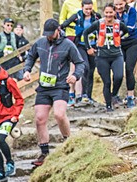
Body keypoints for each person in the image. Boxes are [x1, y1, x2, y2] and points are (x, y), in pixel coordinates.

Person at [23, 18, 85, 166]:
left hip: (60, 86)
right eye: (47, 34)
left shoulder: (68, 45)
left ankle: (68, 142)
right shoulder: (40, 43)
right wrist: (27, 70)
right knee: (39, 119)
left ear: (58, 30)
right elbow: (31, 56)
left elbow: (80, 63)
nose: (49, 36)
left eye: (51, 33)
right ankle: (44, 153)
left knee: (59, 115)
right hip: (44, 87)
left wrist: (75, 76)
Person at [82, 4, 130, 111]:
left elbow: (127, 31)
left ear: (114, 13)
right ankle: (108, 105)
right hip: (102, 57)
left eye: (111, 12)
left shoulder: (119, 24)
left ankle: (114, 94)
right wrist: (88, 48)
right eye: (106, 12)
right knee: (107, 82)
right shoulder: (98, 24)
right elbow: (85, 33)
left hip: (116, 55)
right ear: (104, 13)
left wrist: (119, 36)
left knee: (119, 76)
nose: (108, 15)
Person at [61, 0, 101, 104]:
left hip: (93, 46)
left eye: (90, 9)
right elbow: (64, 24)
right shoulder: (77, 16)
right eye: (86, 9)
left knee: (92, 70)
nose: (88, 11)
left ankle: (89, 95)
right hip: (80, 46)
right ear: (82, 7)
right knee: (85, 67)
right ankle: (82, 94)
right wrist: (75, 28)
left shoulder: (96, 17)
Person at [114, 0, 137, 107]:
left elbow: (130, 27)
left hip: (132, 43)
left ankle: (130, 96)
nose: (119, 7)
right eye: (116, 5)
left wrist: (117, 35)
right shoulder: (112, 12)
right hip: (119, 44)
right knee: (117, 70)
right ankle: (114, 96)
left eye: (121, 4)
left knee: (129, 69)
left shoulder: (131, 11)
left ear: (125, 3)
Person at [60, 0, 85, 103]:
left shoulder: (92, 2)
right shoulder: (68, 2)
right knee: (72, 66)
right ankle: (70, 92)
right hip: (71, 36)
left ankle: (80, 94)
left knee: (81, 65)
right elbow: (62, 20)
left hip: (84, 38)